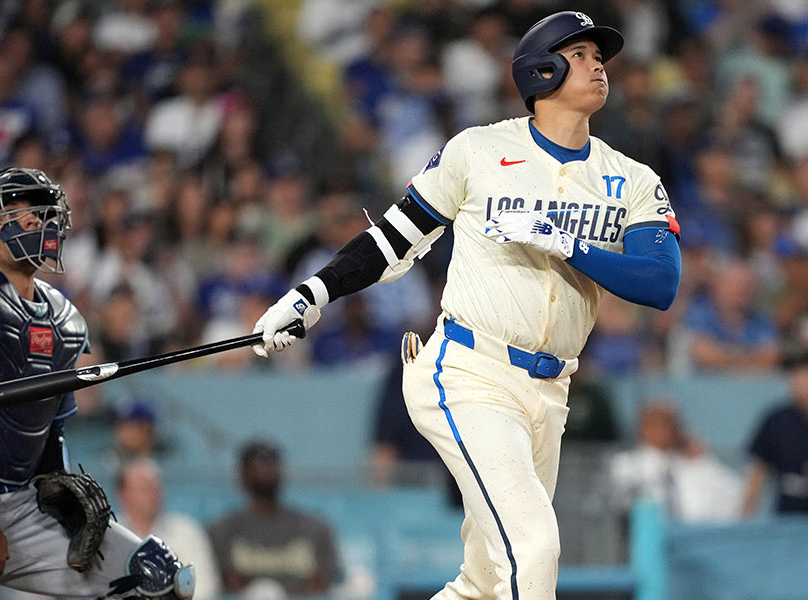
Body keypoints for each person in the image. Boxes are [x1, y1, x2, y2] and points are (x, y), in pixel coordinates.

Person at [252, 10, 681, 599]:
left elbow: (658, 283)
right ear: (541, 69)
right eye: (580, 54)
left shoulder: (629, 177)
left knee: (481, 582)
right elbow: (394, 239)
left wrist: (565, 242)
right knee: (534, 548)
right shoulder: (478, 150)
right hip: (470, 371)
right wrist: (311, 293)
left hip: (552, 390)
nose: (597, 63)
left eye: (599, 55)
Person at [0, 167, 194, 599]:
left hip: (22, 506)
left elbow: (48, 427)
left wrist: (57, 486)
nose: (33, 219)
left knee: (158, 580)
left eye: (38, 211)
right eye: (11, 211)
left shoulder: (63, 319)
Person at [207, 440, 341, 597]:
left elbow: (323, 580)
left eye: (271, 463)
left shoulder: (315, 528)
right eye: (258, 465)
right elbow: (224, 581)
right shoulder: (221, 530)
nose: (266, 471)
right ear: (242, 476)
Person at [742, 349, 808, 516]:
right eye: (793, 376)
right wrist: (744, 521)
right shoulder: (776, 421)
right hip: (790, 524)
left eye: (804, 375)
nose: (797, 383)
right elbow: (757, 475)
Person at [609, 400, 742, 523]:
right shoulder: (627, 464)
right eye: (656, 423)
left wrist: (704, 460)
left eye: (669, 424)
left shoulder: (694, 464)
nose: (662, 430)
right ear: (642, 428)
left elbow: (739, 496)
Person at [116, 458, 221, 600]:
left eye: (156, 487)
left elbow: (205, 590)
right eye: (144, 488)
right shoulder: (108, 535)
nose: (152, 494)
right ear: (122, 495)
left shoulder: (188, 532)